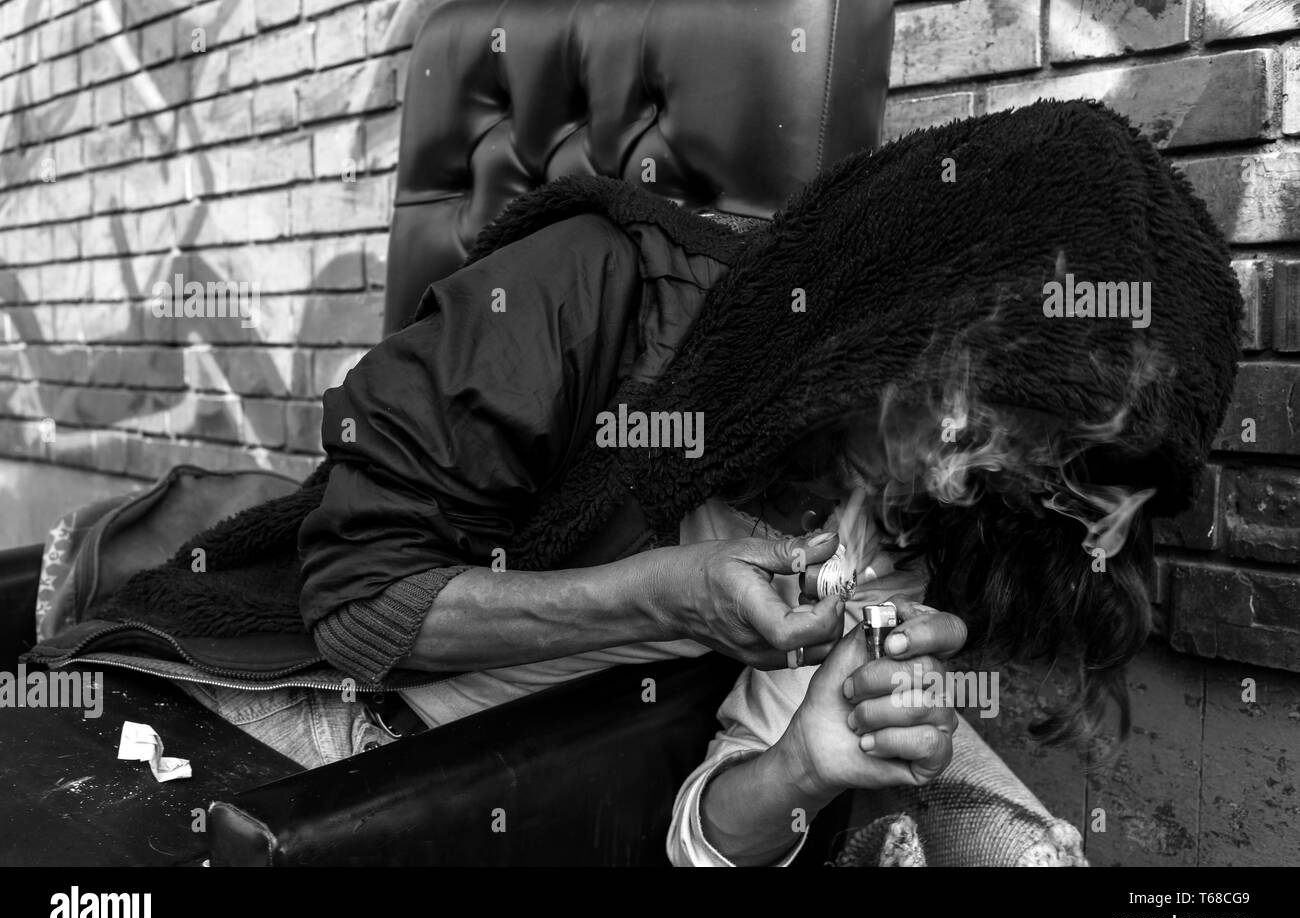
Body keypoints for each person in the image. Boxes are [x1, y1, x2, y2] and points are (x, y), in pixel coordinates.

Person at [38, 97, 1239, 848]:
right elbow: (355, 600)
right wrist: (666, 590)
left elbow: (703, 831)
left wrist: (797, 770)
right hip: (270, 697)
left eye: (1026, 468)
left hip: (530, 769)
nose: (961, 477)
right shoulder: (588, 290)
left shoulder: (927, 501)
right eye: (981, 425)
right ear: (907, 318)